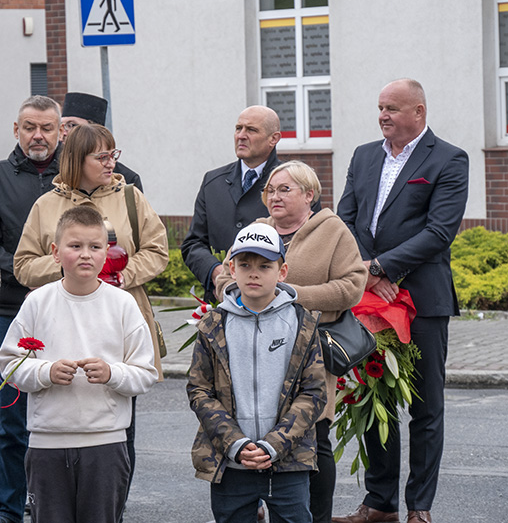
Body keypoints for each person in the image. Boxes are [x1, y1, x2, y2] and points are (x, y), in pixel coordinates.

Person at [333, 79, 469, 523]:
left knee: (426, 406)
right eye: (380, 107)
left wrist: (382, 268)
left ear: (419, 111)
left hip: (423, 299)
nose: (383, 115)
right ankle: (379, 503)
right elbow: (346, 219)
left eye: (392, 108)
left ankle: (420, 507)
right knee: (376, 400)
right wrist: (368, 272)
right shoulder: (364, 155)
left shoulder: (449, 159)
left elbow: (439, 231)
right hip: (370, 300)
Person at [13, 122, 168, 509]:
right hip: (60, 321)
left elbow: (158, 251)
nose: (111, 163)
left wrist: (116, 276)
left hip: (118, 318)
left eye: (113, 153)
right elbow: (23, 265)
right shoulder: (46, 205)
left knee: (117, 438)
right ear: (76, 160)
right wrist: (71, 266)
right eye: (101, 156)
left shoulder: (130, 196)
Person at [214, 161, 368, 523]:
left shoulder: (333, 231)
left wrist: (292, 295)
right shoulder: (256, 229)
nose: (274, 196)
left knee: (314, 437)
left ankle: (317, 517)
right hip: (249, 352)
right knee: (254, 434)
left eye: (285, 189)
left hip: (305, 352)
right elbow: (224, 274)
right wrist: (234, 292)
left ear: (309, 194)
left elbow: (352, 286)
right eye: (270, 189)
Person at [0, 206, 157, 523]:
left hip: (106, 445)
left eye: (95, 247)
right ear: (56, 252)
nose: (86, 255)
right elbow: (10, 365)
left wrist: (113, 373)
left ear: (106, 253)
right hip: (47, 445)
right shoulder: (37, 302)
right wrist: (46, 372)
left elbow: (145, 374)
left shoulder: (123, 304)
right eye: (75, 246)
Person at [187, 222, 326, 523]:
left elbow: (314, 392)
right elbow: (200, 390)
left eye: (265, 265)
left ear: (283, 271)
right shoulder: (213, 325)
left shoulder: (303, 324)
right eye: (245, 264)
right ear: (230, 268)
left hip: (288, 463)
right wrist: (236, 444)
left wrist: (274, 444)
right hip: (230, 461)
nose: (254, 273)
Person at [0, 95, 63, 523]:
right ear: (16, 130)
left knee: (66, 410)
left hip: (71, 308)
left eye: (47, 127)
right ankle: (9, 509)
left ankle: (58, 505)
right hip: (14, 307)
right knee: (13, 416)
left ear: (61, 131)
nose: (38, 135)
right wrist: (34, 273)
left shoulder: (75, 174)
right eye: (30, 127)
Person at [181, 105, 282, 303]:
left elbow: (305, 243)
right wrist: (217, 272)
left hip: (272, 302)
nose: (241, 136)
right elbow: (193, 244)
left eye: (251, 130)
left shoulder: (293, 184)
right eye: (238, 128)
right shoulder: (213, 182)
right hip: (221, 300)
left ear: (274, 138)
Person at [60, 92, 143, 191]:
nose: (63, 133)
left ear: (93, 128)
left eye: (71, 125)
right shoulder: (54, 173)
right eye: (61, 125)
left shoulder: (128, 180)